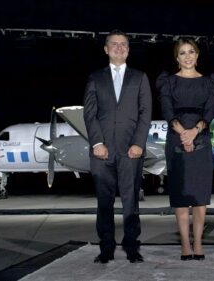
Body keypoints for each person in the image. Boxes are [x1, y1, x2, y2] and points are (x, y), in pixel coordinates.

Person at [83, 29, 152, 264]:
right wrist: (97, 143)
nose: (119, 47)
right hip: (102, 153)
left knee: (131, 202)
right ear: (106, 49)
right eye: (114, 44)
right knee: (104, 202)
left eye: (123, 44)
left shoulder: (140, 77)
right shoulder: (95, 78)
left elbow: (145, 113)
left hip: (130, 151)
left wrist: (138, 143)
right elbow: (90, 114)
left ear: (129, 49)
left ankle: (132, 246)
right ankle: (106, 247)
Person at [156, 38, 214, 261]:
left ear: (198, 55)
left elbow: (210, 112)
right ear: (177, 58)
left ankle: (199, 243)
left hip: (201, 140)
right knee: (181, 195)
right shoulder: (168, 82)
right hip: (176, 140)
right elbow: (167, 110)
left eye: (191, 52)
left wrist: (194, 132)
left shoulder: (209, 82)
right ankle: (185, 244)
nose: (188, 56)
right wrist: (184, 132)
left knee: (200, 197)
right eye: (183, 53)